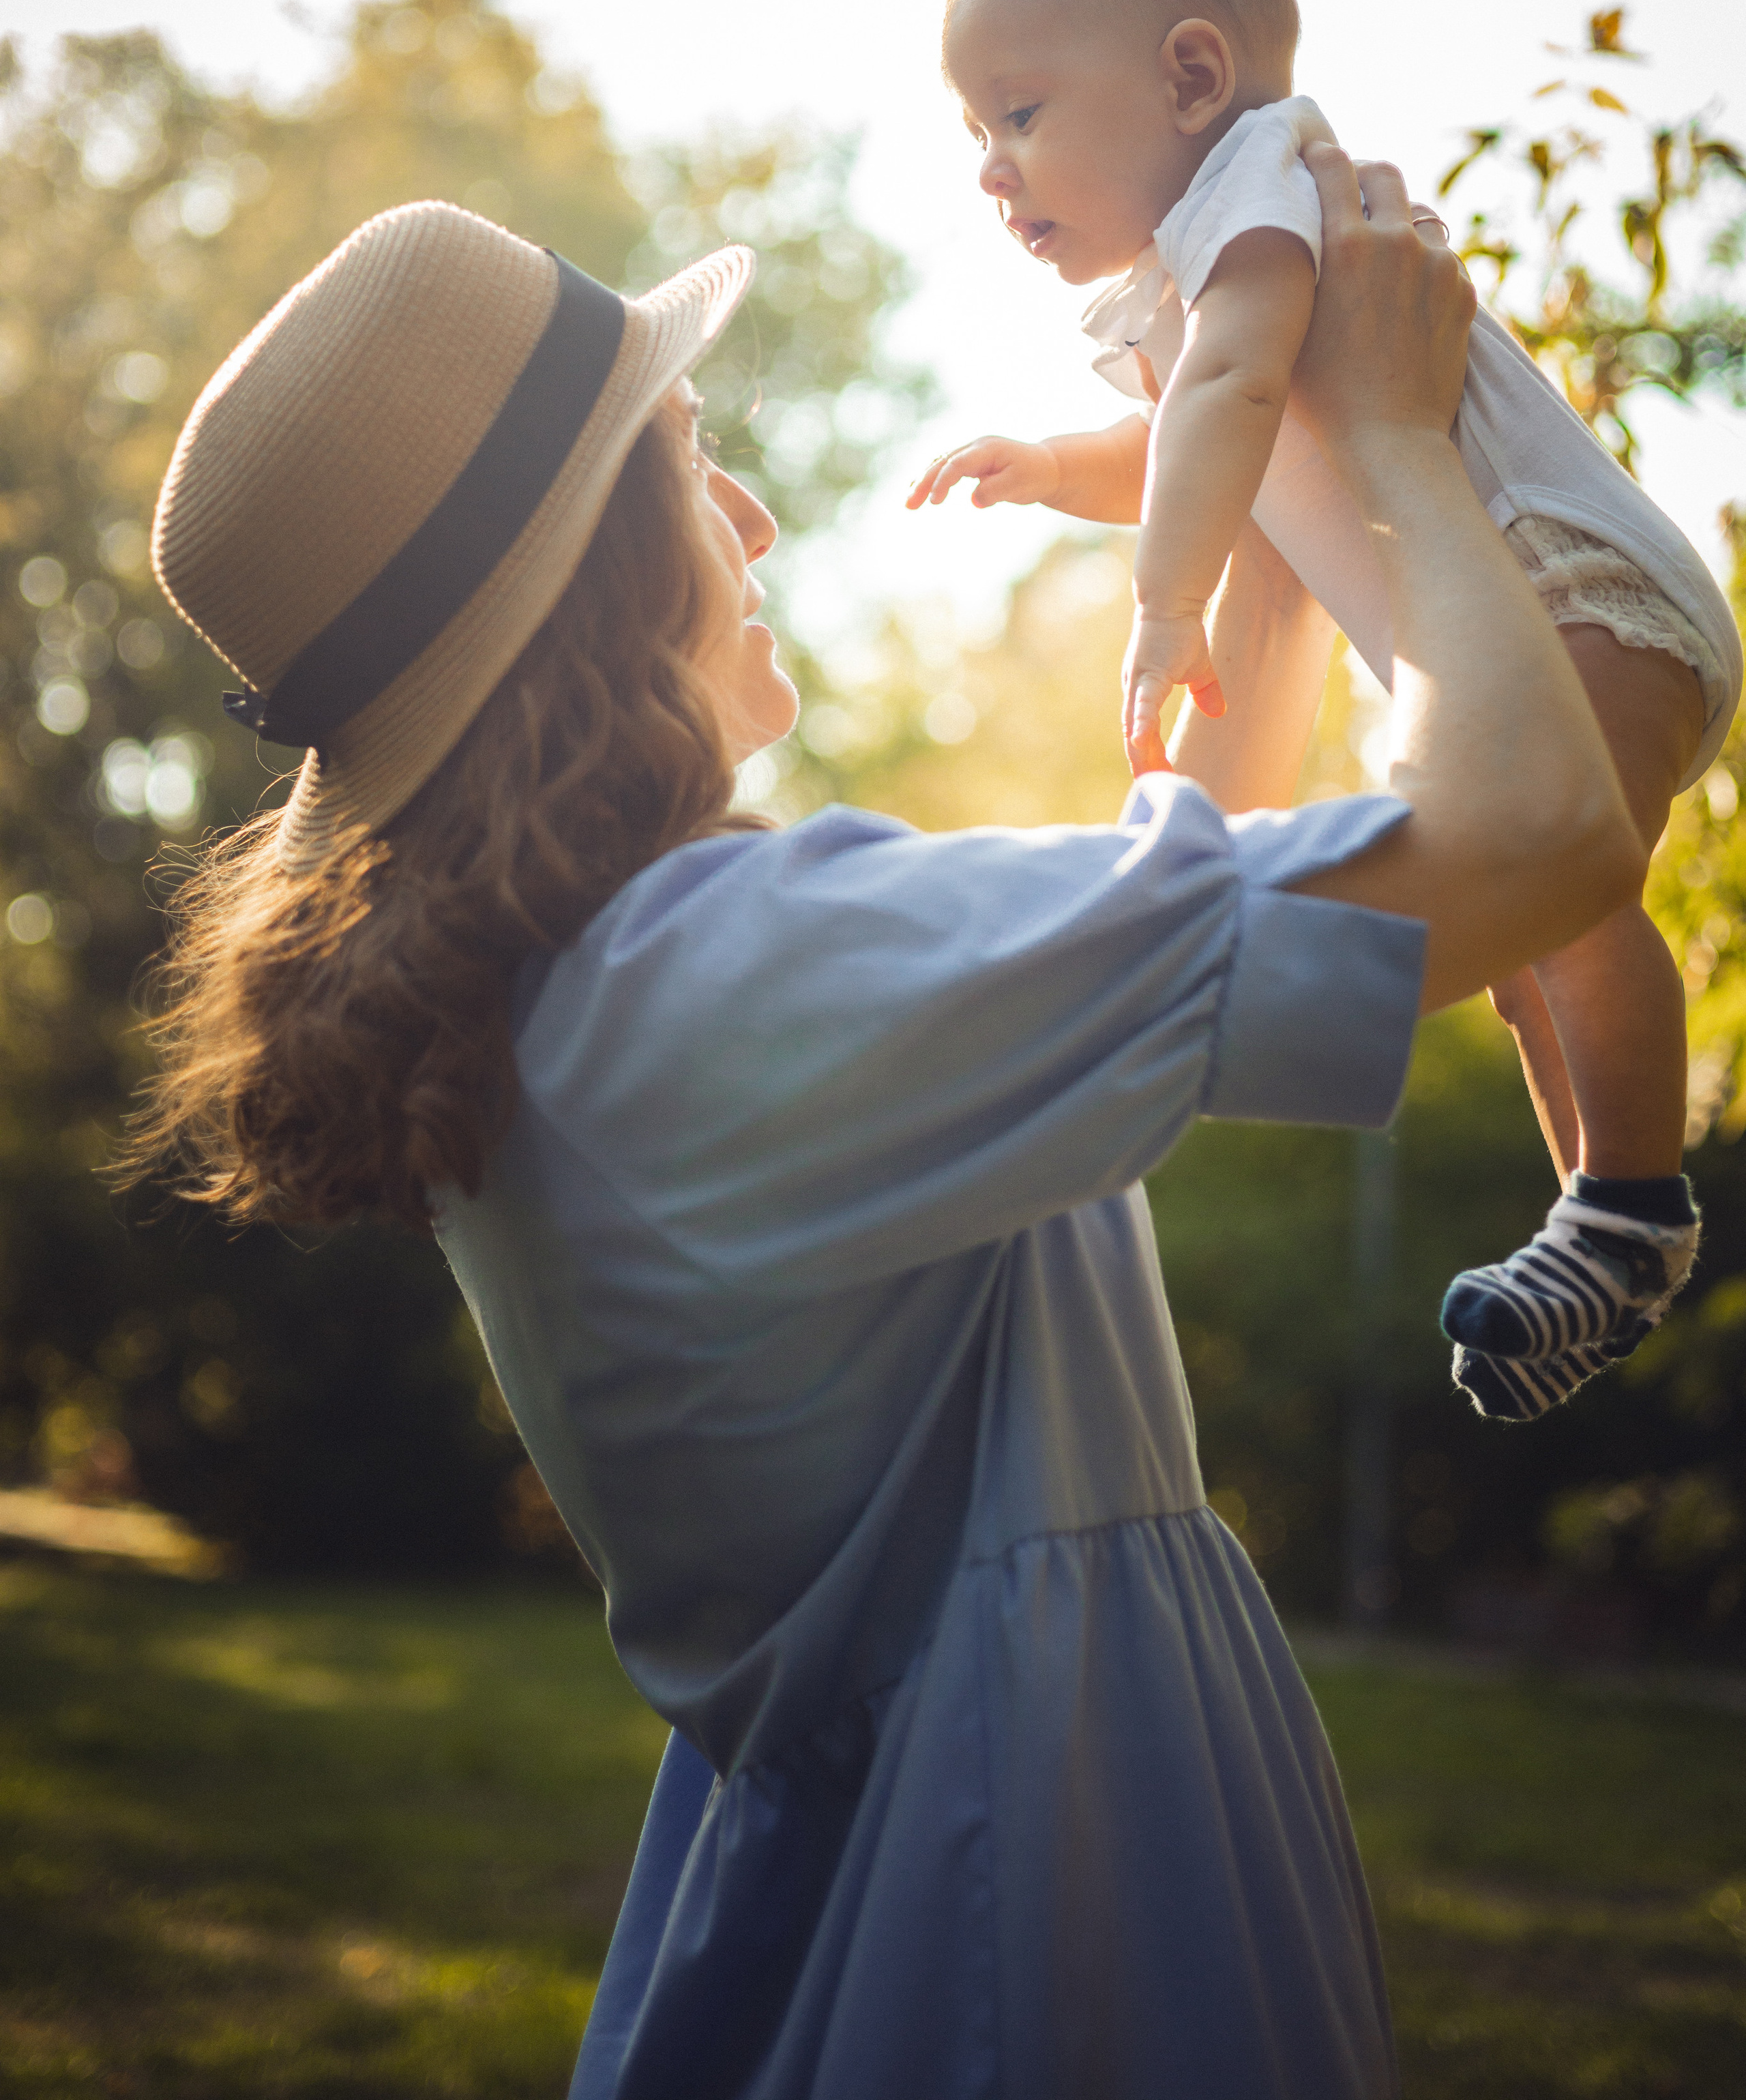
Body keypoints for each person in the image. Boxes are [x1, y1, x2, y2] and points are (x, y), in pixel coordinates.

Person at [128, 163, 1640, 2100]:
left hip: (924, 1854)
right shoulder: (734, 974)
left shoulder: (608, 996)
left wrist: (1262, 493)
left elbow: (1170, 952)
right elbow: (1538, 837)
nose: (752, 514)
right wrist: (1406, 447)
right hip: (1033, 1901)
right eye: (687, 462)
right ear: (591, 580)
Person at [908, 0, 1738, 1421]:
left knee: (1560, 898)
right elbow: (1185, 438)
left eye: (1016, 115)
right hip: (1522, 609)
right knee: (1516, 941)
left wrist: (1164, 605)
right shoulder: (1193, 277)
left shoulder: (1252, 189)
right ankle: (1597, 1225)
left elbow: (1222, 406)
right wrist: (1047, 465)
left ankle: (1630, 1203)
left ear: (1190, 73)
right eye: (973, 134)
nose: (989, 170)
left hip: (1575, 589)